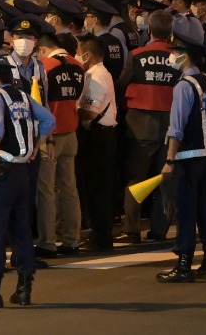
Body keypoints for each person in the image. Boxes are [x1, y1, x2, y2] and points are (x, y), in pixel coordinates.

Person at [0, 54, 56, 309]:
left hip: (1, 171)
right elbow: (49, 120)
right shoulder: (24, 97)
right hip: (22, 172)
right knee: (22, 230)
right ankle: (24, 289)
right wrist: (37, 144)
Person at [157, 41, 206, 283]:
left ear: (185, 57)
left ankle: (184, 263)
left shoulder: (183, 86)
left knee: (185, 212)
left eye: (174, 53)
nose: (171, 57)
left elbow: (177, 127)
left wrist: (169, 159)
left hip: (187, 157)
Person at [120, 10, 179, 243]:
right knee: (165, 178)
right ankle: (159, 230)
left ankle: (131, 229)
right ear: (171, 32)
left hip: (139, 125)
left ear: (150, 30)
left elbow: (121, 84)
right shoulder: (180, 58)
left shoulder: (136, 55)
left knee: (136, 178)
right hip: (170, 127)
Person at [36, 31, 85, 256]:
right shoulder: (78, 65)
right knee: (69, 188)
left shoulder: (44, 67)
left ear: (43, 49)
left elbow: (39, 102)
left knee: (46, 190)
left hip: (50, 136)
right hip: (71, 131)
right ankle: (72, 239)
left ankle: (47, 242)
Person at [75, 35, 119, 252]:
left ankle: (101, 237)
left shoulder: (96, 76)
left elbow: (91, 112)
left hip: (99, 136)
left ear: (87, 55)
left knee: (98, 189)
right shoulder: (99, 73)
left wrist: (74, 111)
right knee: (97, 188)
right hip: (102, 135)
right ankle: (99, 234)